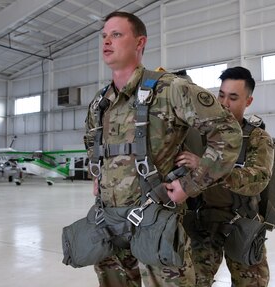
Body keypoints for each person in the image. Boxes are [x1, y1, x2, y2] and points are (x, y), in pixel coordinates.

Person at [84, 11, 242, 287]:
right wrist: (96, 174)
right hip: (109, 223)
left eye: (117, 35)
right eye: (104, 36)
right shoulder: (101, 101)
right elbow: (91, 140)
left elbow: (227, 133)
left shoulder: (170, 90)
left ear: (139, 43)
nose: (107, 42)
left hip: (156, 223)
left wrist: (191, 184)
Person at [176, 66, 274, 286]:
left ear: (248, 101)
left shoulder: (257, 138)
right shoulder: (200, 134)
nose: (224, 104)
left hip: (241, 222)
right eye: (221, 95)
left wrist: (207, 168)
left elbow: (257, 179)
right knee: (192, 282)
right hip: (203, 222)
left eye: (233, 97)